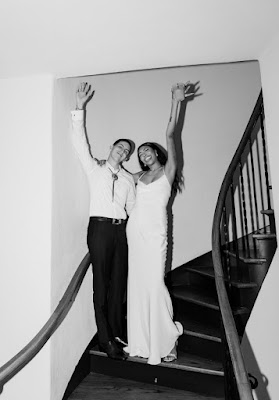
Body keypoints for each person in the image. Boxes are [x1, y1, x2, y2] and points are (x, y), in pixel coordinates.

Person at [124, 82, 192, 365]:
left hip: (155, 234)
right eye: (140, 153)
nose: (144, 154)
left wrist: (176, 101)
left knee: (154, 284)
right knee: (138, 286)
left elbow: (171, 132)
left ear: (157, 152)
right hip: (134, 234)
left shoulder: (169, 171)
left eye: (147, 150)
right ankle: (140, 342)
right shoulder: (137, 177)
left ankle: (166, 341)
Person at [71, 82, 136, 361]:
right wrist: (79, 107)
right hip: (98, 229)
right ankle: (105, 340)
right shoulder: (94, 168)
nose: (121, 152)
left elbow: (134, 208)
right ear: (111, 147)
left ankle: (117, 333)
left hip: (121, 232)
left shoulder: (127, 179)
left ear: (127, 157)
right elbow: (79, 142)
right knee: (101, 283)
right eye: (119, 147)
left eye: (125, 152)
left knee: (118, 283)